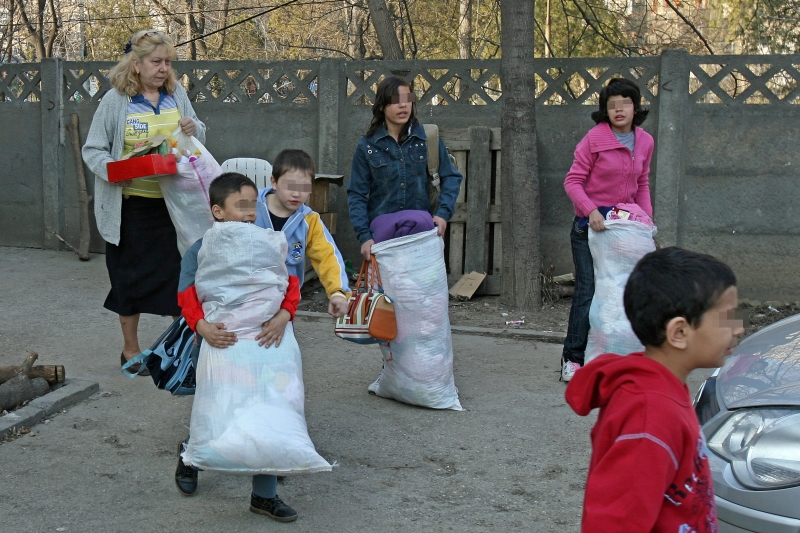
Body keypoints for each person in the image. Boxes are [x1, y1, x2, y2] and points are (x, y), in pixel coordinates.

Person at [565, 247, 745, 533]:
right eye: (727, 317)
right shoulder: (650, 414)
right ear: (679, 332)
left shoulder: (663, 387)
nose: (738, 328)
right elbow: (615, 523)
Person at [174, 173, 302, 521]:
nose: (249, 213)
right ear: (217, 211)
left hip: (265, 342)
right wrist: (202, 327)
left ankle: (264, 496)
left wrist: (284, 315)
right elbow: (187, 293)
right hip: (220, 343)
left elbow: (288, 284)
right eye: (240, 205)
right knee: (217, 406)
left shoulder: (266, 243)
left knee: (267, 410)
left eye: (252, 205)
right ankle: (190, 457)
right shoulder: (201, 249)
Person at [82, 29, 205, 375]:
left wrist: (193, 127)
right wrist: (113, 171)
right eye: (156, 62)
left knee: (179, 277)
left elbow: (199, 133)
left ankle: (179, 348)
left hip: (173, 206)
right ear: (136, 64)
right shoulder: (115, 101)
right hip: (131, 209)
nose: (164, 68)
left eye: (167, 62)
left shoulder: (176, 94)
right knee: (129, 279)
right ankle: (131, 351)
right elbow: (93, 150)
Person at [561, 77, 654, 382]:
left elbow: (642, 183)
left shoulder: (645, 141)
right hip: (590, 228)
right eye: (612, 105)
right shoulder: (594, 139)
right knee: (588, 291)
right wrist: (590, 211)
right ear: (605, 109)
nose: (619, 110)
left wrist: (647, 222)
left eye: (625, 103)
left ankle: (615, 355)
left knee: (622, 291)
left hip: (624, 230)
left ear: (635, 107)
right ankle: (572, 358)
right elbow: (572, 182)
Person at [347, 76, 463, 260]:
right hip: (383, 236)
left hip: (422, 232)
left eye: (407, 99)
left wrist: (442, 214)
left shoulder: (427, 139)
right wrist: (364, 236)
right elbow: (357, 194)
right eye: (396, 101)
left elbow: (451, 177)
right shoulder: (368, 146)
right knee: (387, 280)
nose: (403, 105)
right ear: (381, 106)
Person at [255, 149, 350, 319]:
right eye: (290, 185)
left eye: (304, 187)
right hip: (246, 295)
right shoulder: (249, 207)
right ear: (274, 182)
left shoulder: (309, 221)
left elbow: (327, 256)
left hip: (285, 304)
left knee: (280, 336)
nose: (297, 193)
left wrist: (337, 292)